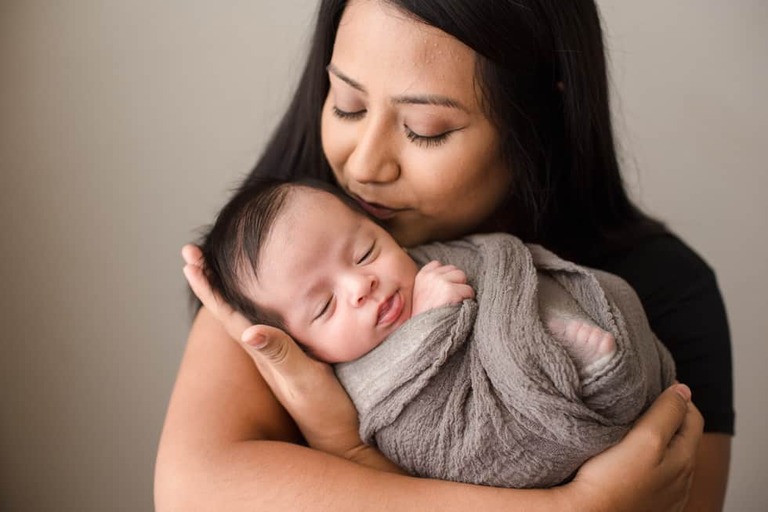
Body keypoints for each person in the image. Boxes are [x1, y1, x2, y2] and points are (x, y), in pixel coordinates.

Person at [155, 1, 732, 510]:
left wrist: (350, 452)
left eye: (425, 129)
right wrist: (574, 508)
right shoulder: (284, 263)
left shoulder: (664, 286)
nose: (365, 167)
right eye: (348, 105)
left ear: (538, 114)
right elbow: (194, 493)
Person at [198, 178, 676, 488]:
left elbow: (496, 264)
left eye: (365, 253)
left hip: (528, 342)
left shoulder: (427, 259)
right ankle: (565, 374)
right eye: (324, 306)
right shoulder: (353, 377)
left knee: (576, 292)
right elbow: (423, 439)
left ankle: (552, 351)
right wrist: (429, 322)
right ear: (306, 348)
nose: (361, 286)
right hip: (458, 423)